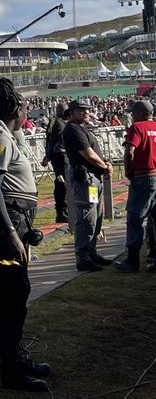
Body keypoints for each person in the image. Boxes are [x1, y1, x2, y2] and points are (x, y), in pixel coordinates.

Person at [0, 78, 50, 392]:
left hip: (15, 221)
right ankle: (11, 370)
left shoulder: (4, 134)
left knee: (14, 290)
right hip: (8, 222)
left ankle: (16, 357)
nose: (27, 112)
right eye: (25, 108)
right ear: (16, 110)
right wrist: (10, 232)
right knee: (13, 291)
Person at [63, 98, 113, 272]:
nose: (86, 112)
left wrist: (104, 165)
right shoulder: (72, 129)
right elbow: (89, 154)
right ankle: (83, 257)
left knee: (96, 215)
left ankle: (91, 252)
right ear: (71, 112)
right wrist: (105, 166)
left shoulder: (81, 128)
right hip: (85, 178)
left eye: (87, 109)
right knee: (87, 217)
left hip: (92, 177)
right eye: (81, 110)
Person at [114, 99, 156, 273]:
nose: (131, 115)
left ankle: (132, 261)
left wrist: (128, 171)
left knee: (134, 218)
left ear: (139, 113)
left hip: (143, 177)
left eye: (133, 112)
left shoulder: (137, 127)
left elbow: (129, 151)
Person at [42, 104, 69, 223]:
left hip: (56, 156)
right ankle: (62, 211)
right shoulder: (59, 123)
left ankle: (63, 210)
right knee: (62, 183)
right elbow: (56, 141)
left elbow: (49, 139)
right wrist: (49, 155)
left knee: (61, 182)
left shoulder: (54, 121)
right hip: (60, 157)